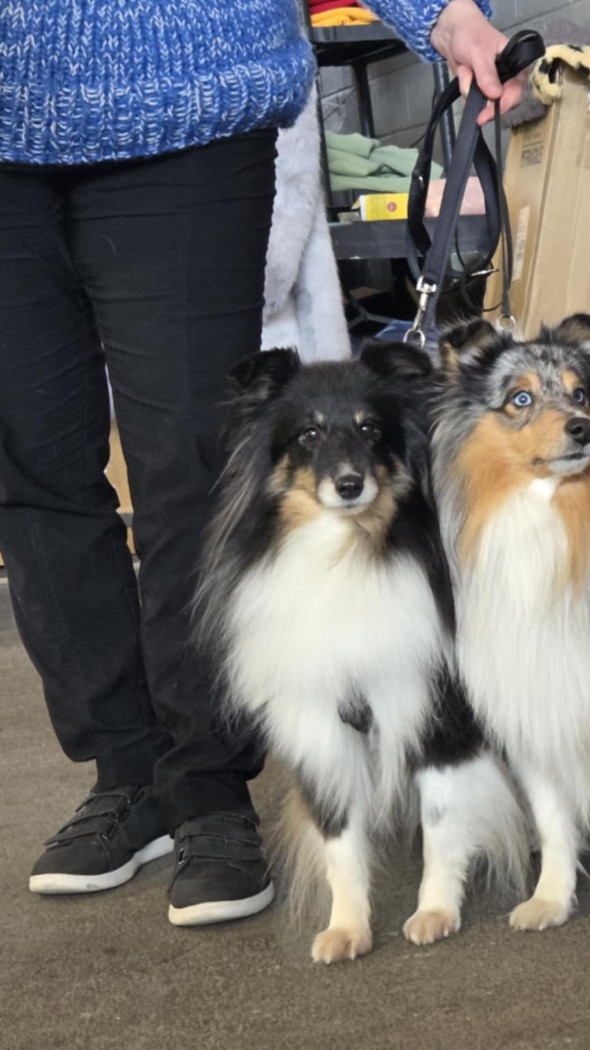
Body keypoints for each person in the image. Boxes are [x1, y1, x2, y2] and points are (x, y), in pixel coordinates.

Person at [0, 0, 522, 926]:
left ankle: (206, 785)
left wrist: (440, 15)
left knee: (192, 471)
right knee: (32, 470)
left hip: (186, 98)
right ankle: (125, 772)